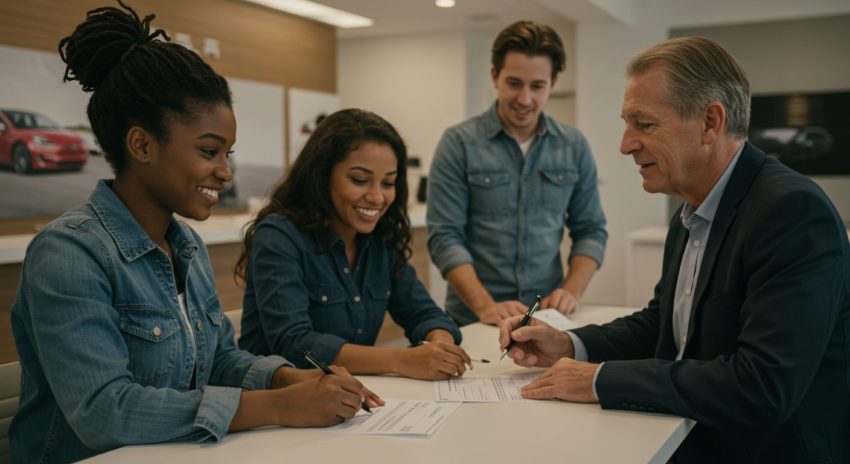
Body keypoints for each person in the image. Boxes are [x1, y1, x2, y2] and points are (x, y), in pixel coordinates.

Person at [9, 2, 377, 462]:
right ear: (141, 144)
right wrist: (278, 406)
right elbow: (103, 412)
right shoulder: (68, 253)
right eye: (209, 151)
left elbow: (218, 360)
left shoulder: (186, 246)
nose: (224, 172)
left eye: (229, 153)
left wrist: (286, 378)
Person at [500, 37, 850, 463]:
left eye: (644, 125)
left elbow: (762, 386)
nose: (625, 144)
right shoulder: (690, 211)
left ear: (709, 122)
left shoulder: (791, 212)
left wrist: (599, 379)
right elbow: (662, 326)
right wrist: (569, 345)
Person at [236, 108, 472, 380]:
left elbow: (423, 312)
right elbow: (295, 344)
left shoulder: (381, 239)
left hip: (344, 400)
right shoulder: (279, 236)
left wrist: (439, 341)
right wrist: (400, 359)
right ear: (322, 175)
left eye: (388, 183)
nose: (376, 197)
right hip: (278, 405)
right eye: (359, 180)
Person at [427, 20, 607, 326]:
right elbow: (444, 236)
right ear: (495, 76)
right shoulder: (458, 143)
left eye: (537, 86)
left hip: (546, 317)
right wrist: (485, 306)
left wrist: (570, 290)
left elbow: (591, 229)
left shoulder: (573, 146)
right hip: (473, 320)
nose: (524, 99)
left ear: (553, 83)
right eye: (514, 83)